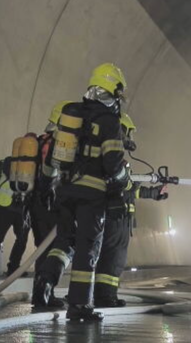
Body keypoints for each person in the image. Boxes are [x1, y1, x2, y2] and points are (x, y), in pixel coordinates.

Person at [33, 64, 129, 321]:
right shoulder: (109, 121)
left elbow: (53, 158)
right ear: (113, 91)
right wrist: (122, 182)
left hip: (64, 190)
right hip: (92, 194)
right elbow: (113, 164)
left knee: (66, 242)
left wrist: (46, 185)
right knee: (88, 247)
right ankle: (79, 306)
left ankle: (46, 278)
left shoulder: (71, 115)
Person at [93, 113, 168, 308]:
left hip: (118, 215)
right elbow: (122, 187)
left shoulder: (110, 158)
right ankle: (105, 297)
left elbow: (130, 191)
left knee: (111, 256)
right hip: (115, 215)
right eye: (128, 134)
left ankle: (106, 294)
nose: (129, 140)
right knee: (113, 257)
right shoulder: (112, 160)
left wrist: (153, 193)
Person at [29, 102, 71, 309]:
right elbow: (53, 171)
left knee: (43, 247)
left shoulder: (40, 140)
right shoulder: (56, 143)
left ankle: (41, 292)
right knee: (54, 247)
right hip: (50, 200)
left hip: (37, 201)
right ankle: (43, 293)